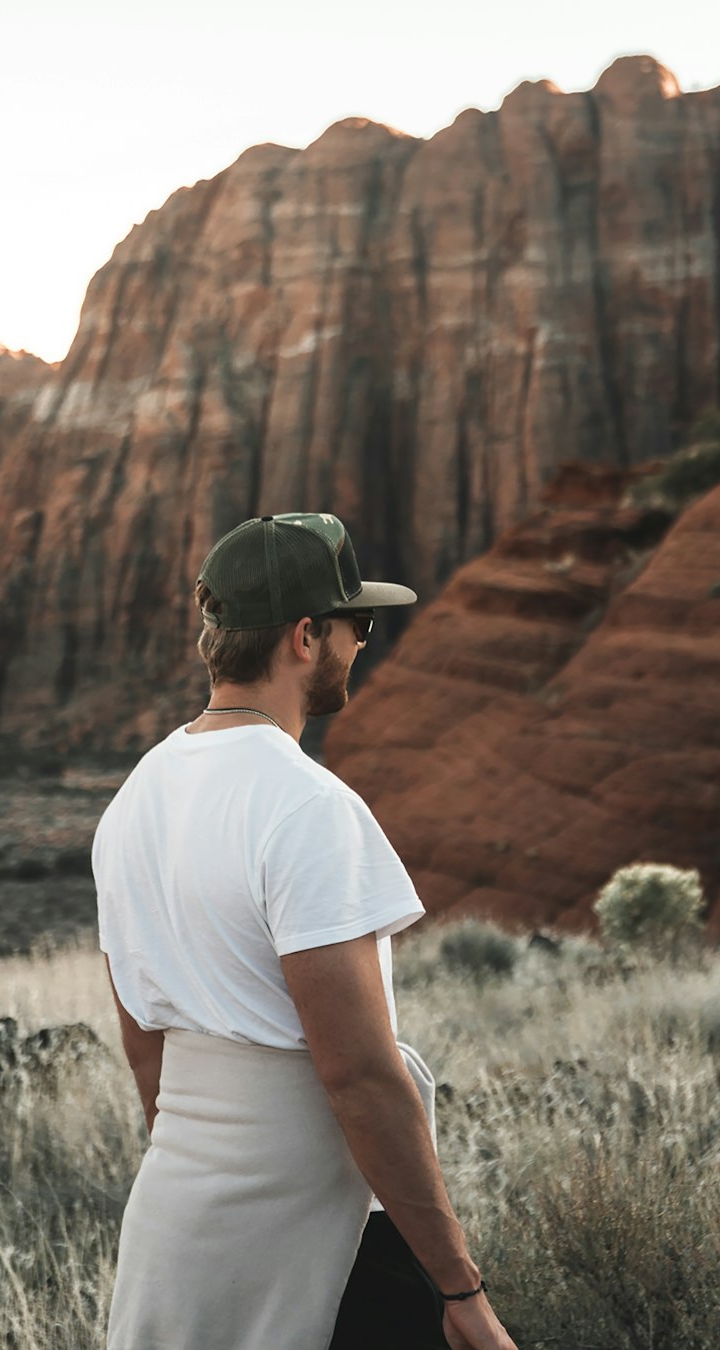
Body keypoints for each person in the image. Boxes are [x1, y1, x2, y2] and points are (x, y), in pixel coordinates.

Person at [93, 512, 517, 1350]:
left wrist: (217, 1168)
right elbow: (360, 1073)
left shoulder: (135, 796)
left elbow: (147, 1048)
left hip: (177, 1229)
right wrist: (460, 1288)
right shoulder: (307, 806)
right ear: (304, 635)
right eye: (357, 622)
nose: (363, 640)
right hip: (318, 1243)